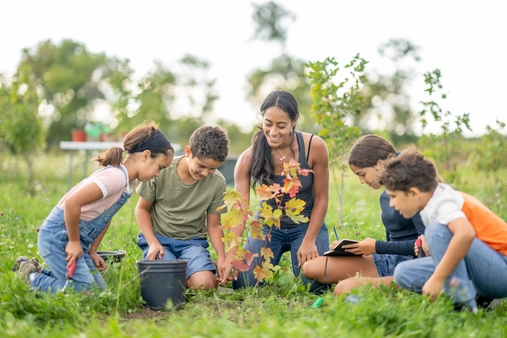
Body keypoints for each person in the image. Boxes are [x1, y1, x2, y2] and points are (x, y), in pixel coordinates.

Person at [14, 122, 175, 293]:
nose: (158, 174)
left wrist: (92, 250)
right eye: (160, 167)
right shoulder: (116, 177)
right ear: (146, 155)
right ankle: (31, 278)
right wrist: (74, 242)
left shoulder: (130, 182)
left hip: (78, 241)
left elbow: (106, 216)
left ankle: (34, 271)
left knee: (100, 292)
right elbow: (72, 203)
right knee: (85, 293)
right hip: (58, 238)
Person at [382, 148, 507, 313]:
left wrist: (438, 277)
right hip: (482, 267)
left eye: (393, 196)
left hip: (501, 271)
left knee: (436, 231)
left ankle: (465, 305)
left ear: (413, 193)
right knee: (403, 272)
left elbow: (465, 234)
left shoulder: (444, 202)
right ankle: (478, 299)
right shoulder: (431, 203)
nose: (391, 204)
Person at [302, 134, 425, 295]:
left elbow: (426, 246)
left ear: (380, 165)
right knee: (311, 268)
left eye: (362, 174)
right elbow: (393, 239)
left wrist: (375, 247)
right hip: (391, 258)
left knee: (343, 289)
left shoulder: (411, 187)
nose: (362, 181)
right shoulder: (387, 194)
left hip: (413, 264)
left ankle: (404, 287)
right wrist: (358, 249)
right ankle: (383, 281)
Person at [232, 90, 330, 291]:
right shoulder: (247, 158)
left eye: (281, 125)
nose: (273, 132)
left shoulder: (314, 147)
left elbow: (321, 199)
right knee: (245, 285)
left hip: (305, 224)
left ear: (294, 121)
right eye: (268, 124)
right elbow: (240, 210)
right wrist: (231, 253)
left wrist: (310, 241)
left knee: (314, 285)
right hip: (267, 225)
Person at [136, 125, 235, 290]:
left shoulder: (218, 182)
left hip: (192, 243)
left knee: (206, 285)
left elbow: (214, 224)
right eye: (201, 166)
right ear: (188, 152)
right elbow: (141, 209)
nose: (205, 173)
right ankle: (188, 269)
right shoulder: (162, 170)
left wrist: (223, 257)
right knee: (166, 284)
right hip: (160, 240)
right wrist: (152, 242)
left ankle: (198, 267)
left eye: (212, 168)